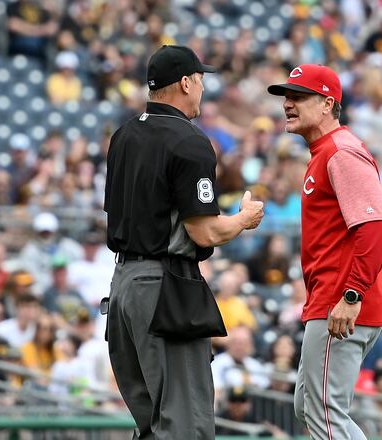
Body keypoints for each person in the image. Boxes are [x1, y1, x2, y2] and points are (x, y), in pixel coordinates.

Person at [104, 45, 263, 439]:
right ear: (187, 83)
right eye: (201, 81)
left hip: (123, 288)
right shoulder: (189, 140)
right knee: (184, 425)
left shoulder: (123, 135)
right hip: (163, 288)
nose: (203, 90)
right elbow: (204, 232)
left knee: (152, 426)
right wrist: (243, 220)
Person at [267, 64, 382, 440]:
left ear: (327, 103)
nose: (288, 103)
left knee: (324, 414)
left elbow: (375, 226)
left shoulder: (341, 151)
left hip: (344, 300)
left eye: (299, 96)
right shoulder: (324, 152)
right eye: (286, 96)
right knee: (309, 405)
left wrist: (351, 294)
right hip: (333, 297)